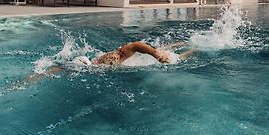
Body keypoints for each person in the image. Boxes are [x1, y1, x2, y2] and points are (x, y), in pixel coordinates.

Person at [25, 41, 192, 84]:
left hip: (145, 58)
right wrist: (36, 76)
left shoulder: (108, 60)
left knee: (176, 58)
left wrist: (156, 55)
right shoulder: (93, 65)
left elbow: (135, 45)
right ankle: (176, 46)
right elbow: (59, 68)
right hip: (138, 60)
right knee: (164, 50)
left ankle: (195, 48)